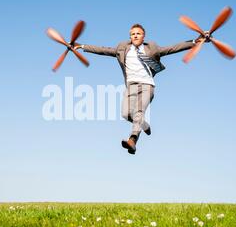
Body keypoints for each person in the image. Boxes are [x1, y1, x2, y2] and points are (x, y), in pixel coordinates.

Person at [74, 24, 205, 155]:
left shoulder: (152, 48)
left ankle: (132, 141)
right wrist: (83, 46)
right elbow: (103, 50)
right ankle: (145, 125)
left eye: (138, 33)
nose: (135, 36)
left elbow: (172, 48)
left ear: (143, 36)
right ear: (130, 37)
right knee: (125, 114)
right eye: (133, 34)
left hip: (147, 85)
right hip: (131, 86)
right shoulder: (123, 49)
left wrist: (194, 42)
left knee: (138, 113)